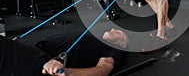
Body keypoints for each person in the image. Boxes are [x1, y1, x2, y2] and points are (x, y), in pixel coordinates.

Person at [0, 28, 128, 76]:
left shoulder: (114, 49)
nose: (112, 28)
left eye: (118, 32)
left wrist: (67, 72)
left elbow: (102, 70)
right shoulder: (94, 37)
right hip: (30, 53)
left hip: (41, 63)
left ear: (122, 43)